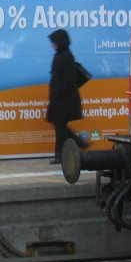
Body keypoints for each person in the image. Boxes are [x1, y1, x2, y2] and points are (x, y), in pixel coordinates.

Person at [46, 29, 87, 164]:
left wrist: (56, 92)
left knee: (60, 128)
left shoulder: (64, 56)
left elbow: (66, 80)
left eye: (54, 41)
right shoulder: (63, 55)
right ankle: (78, 143)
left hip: (63, 100)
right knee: (60, 127)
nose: (53, 44)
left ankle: (60, 155)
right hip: (61, 100)